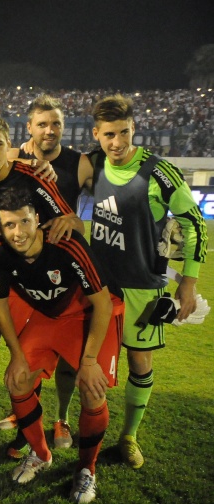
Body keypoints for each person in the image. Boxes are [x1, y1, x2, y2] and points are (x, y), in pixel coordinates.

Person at [89, 94, 207, 469]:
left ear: (134, 128)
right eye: (109, 134)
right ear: (97, 134)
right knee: (84, 360)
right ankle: (67, 424)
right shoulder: (91, 165)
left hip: (143, 287)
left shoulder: (159, 171)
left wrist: (188, 282)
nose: (117, 142)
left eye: (124, 132)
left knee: (140, 361)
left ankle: (129, 435)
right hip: (99, 287)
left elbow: (194, 224)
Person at [0, 185, 123, 503]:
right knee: (17, 379)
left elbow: (101, 304)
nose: (17, 232)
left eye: (23, 222)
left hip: (93, 310)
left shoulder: (66, 244)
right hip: (51, 315)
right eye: (9, 225)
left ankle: (87, 469)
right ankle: (40, 453)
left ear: (37, 218)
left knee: (91, 388)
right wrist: (16, 354)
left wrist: (88, 362)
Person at [0, 115, 81, 453]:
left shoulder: (33, 177)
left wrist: (64, 227)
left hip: (25, 279)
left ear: (9, 145)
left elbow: (72, 220)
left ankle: (25, 429)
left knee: (27, 359)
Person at [0, 95, 98, 457]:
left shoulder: (80, 163)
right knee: (30, 355)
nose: (49, 130)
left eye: (55, 123)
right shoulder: (13, 158)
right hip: (23, 275)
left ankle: (63, 417)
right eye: (42, 124)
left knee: (70, 361)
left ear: (63, 126)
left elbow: (105, 209)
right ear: (29, 127)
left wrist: (78, 222)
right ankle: (28, 428)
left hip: (66, 272)